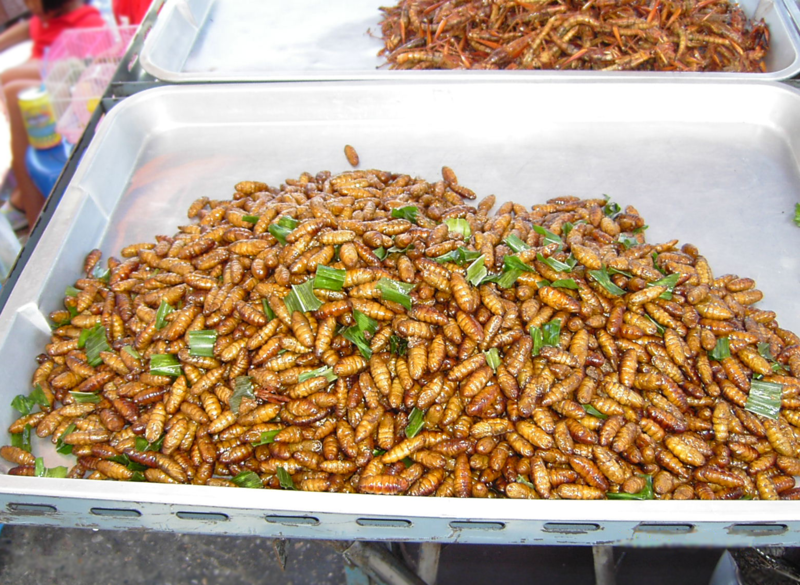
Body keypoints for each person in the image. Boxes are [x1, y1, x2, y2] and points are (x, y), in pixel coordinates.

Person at [0, 0, 105, 231]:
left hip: (69, 111)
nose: (26, 5)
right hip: (48, 104)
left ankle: (31, 213)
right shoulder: (46, 18)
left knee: (10, 86)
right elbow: (31, 26)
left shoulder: (86, 25)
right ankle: (21, 203)